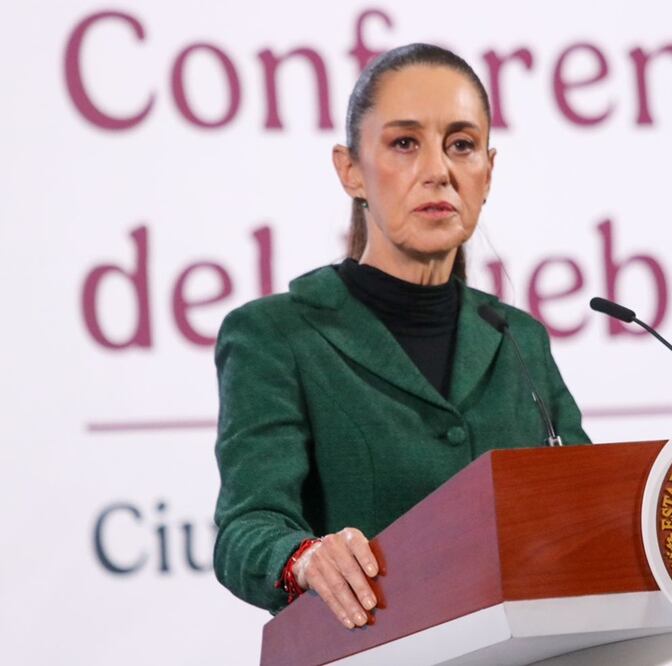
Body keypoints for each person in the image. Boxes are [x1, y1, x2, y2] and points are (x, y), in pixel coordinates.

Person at [212, 43, 590, 629]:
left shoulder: (520, 339)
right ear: (351, 171)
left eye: (461, 145)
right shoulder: (275, 335)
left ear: (487, 172)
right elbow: (246, 527)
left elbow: (589, 509)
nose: (438, 170)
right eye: (405, 143)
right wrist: (304, 559)